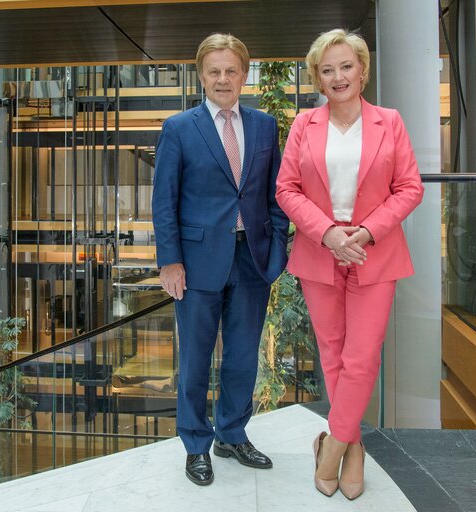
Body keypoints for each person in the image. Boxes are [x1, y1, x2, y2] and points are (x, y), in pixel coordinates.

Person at [275, 29, 424, 500]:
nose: (338, 76)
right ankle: (355, 446)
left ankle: (334, 445)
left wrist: (365, 231)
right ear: (318, 77)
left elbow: (410, 187)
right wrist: (328, 233)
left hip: (373, 251)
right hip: (320, 251)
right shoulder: (304, 125)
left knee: (362, 357)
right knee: (333, 354)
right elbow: (286, 190)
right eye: (327, 69)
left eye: (346, 66)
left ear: (362, 70)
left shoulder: (389, 121)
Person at [152, 33, 289, 486]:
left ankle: (232, 434)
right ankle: (195, 443)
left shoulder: (266, 125)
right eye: (214, 71)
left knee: (243, 356)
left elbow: (275, 194)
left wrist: (278, 246)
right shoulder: (179, 128)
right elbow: (164, 202)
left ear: (244, 75)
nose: (223, 79)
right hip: (194, 264)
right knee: (194, 359)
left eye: (231, 70)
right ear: (201, 75)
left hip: (252, 259)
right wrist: (169, 262)